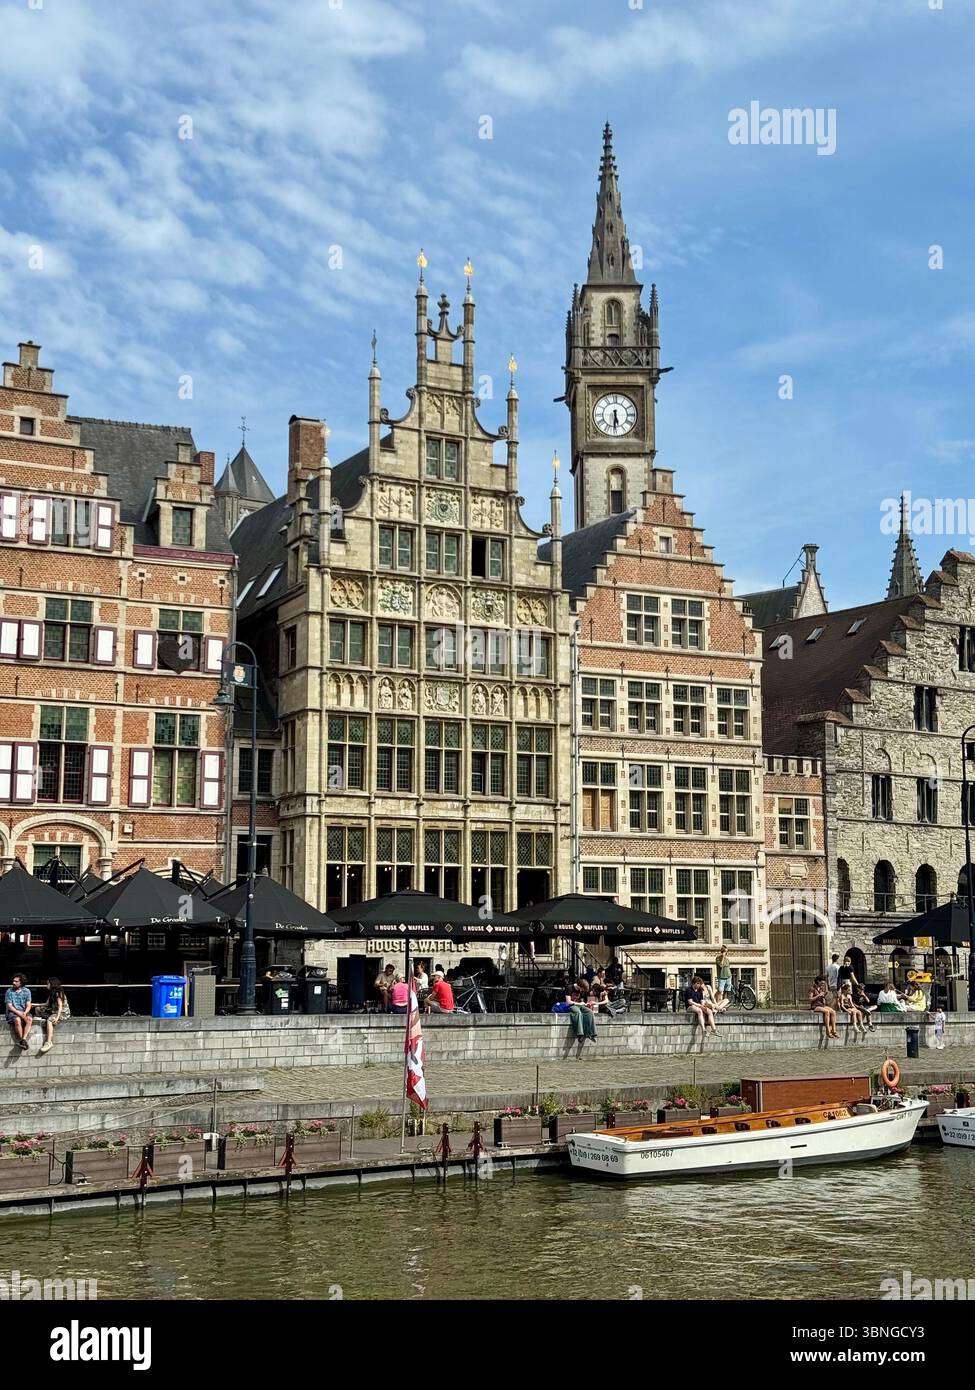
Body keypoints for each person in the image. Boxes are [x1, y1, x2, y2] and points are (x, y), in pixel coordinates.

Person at [34, 977, 69, 1054]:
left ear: (52, 984)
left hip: (62, 1012)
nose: (46, 985)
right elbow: (46, 1004)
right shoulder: (52, 993)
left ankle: (49, 1042)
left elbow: (60, 1007)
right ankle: (45, 1023)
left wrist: (57, 1018)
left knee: (50, 1020)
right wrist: (33, 1004)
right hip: (53, 1010)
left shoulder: (58, 993)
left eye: (47, 983)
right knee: (37, 1009)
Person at [5, 973, 33, 1051]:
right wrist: (19, 1013)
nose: (13, 983)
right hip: (12, 1012)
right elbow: (9, 1006)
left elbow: (28, 1004)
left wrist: (25, 1012)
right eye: (13, 981)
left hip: (24, 1011)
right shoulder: (9, 991)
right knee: (17, 1019)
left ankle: (23, 1040)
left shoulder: (27, 991)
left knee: (29, 1019)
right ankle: (21, 1039)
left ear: (21, 982)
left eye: (16, 981)